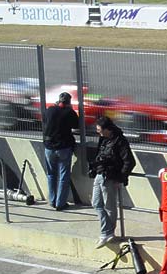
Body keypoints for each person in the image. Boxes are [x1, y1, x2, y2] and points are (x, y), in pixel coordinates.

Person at [90, 116, 136, 249]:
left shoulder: (120, 141)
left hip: (110, 177)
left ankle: (107, 233)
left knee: (109, 206)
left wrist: (120, 178)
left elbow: (129, 161)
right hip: (100, 174)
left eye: (100, 130)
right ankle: (107, 231)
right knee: (96, 203)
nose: (98, 132)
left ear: (107, 129)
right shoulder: (104, 139)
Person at [43, 92, 79, 211]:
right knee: (64, 175)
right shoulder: (69, 112)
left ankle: (52, 200)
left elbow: (45, 120)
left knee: (51, 174)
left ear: (59, 101)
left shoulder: (50, 110)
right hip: (63, 147)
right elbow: (76, 124)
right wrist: (71, 110)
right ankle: (60, 203)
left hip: (49, 147)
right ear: (69, 102)